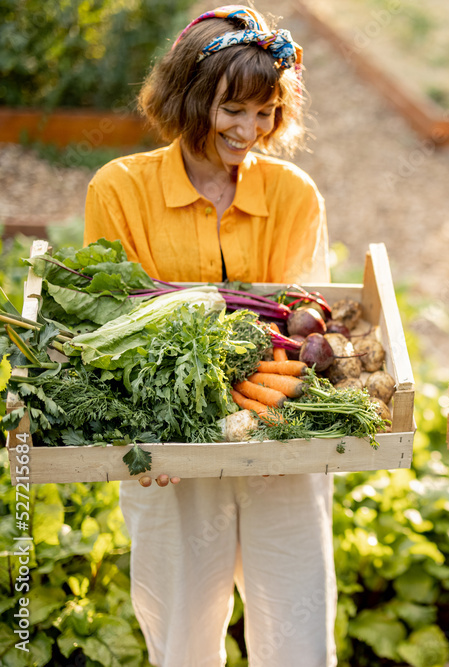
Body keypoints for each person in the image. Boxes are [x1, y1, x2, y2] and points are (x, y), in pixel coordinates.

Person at [83, 6, 334, 666]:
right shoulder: (120, 189)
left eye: (266, 112)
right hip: (171, 443)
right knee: (182, 635)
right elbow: (114, 327)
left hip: (276, 428)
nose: (250, 130)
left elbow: (296, 326)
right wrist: (152, 418)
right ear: (191, 97)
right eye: (233, 110)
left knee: (297, 632)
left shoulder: (293, 195)